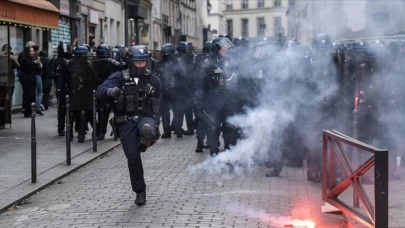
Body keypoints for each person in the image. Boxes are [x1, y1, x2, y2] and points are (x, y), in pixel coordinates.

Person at [96, 45, 162, 206]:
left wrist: (157, 124)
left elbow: (161, 104)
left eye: (144, 62)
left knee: (147, 129)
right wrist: (110, 92)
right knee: (132, 156)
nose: (141, 65)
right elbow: (100, 90)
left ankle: (146, 140)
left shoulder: (154, 80)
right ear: (131, 62)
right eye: (138, 62)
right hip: (126, 121)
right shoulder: (119, 77)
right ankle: (140, 191)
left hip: (146, 118)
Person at [19, 46, 42, 117]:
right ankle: (27, 111)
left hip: (32, 80)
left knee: (32, 95)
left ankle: (31, 111)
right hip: (27, 80)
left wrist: (38, 64)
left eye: (32, 51)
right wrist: (34, 63)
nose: (32, 52)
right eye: (30, 51)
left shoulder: (32, 58)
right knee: (28, 96)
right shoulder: (25, 59)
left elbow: (37, 70)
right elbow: (28, 68)